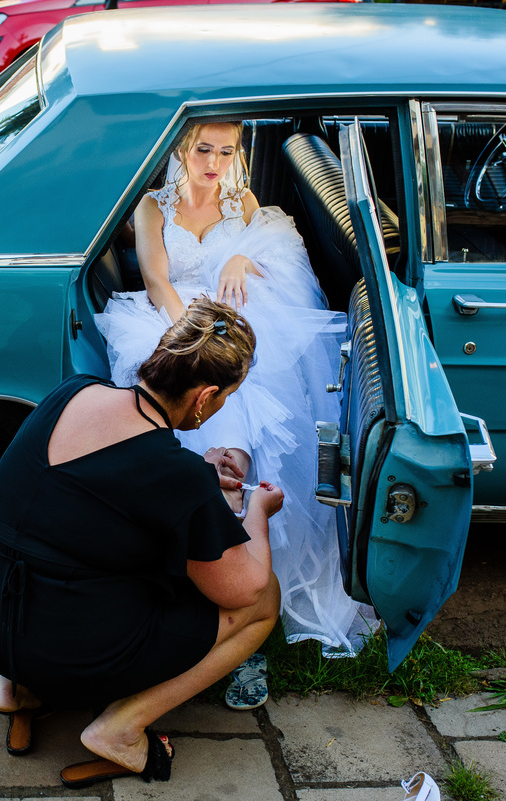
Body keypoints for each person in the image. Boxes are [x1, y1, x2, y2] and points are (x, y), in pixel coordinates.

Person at [0, 299, 283, 788]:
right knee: (265, 599)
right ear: (205, 396)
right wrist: (256, 512)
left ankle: (16, 692)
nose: (222, 406)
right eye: (226, 397)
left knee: (46, 546)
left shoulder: (73, 393)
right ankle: (121, 730)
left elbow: (87, 492)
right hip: (64, 650)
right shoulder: (177, 473)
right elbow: (242, 590)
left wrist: (198, 480)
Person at [95, 121, 375, 674]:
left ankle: (237, 542)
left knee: (249, 394)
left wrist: (241, 261)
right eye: (204, 149)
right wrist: (195, 339)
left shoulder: (241, 200)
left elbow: (280, 256)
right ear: (181, 147)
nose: (214, 162)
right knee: (214, 393)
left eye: (226, 151)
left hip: (235, 319)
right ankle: (218, 554)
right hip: (169, 320)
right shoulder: (152, 207)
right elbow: (156, 281)